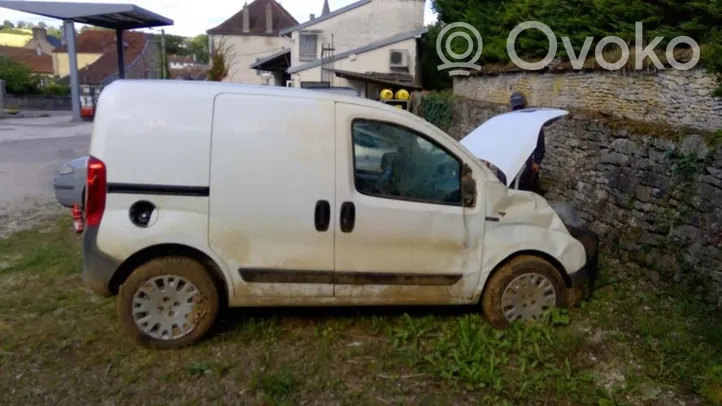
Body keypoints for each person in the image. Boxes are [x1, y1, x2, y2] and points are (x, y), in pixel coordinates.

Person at [509, 92, 545, 193]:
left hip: (525, 163)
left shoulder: (533, 122)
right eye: (517, 108)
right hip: (511, 162)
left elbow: (540, 141)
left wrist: (537, 161)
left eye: (520, 107)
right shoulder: (507, 121)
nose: (518, 110)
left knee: (522, 189)